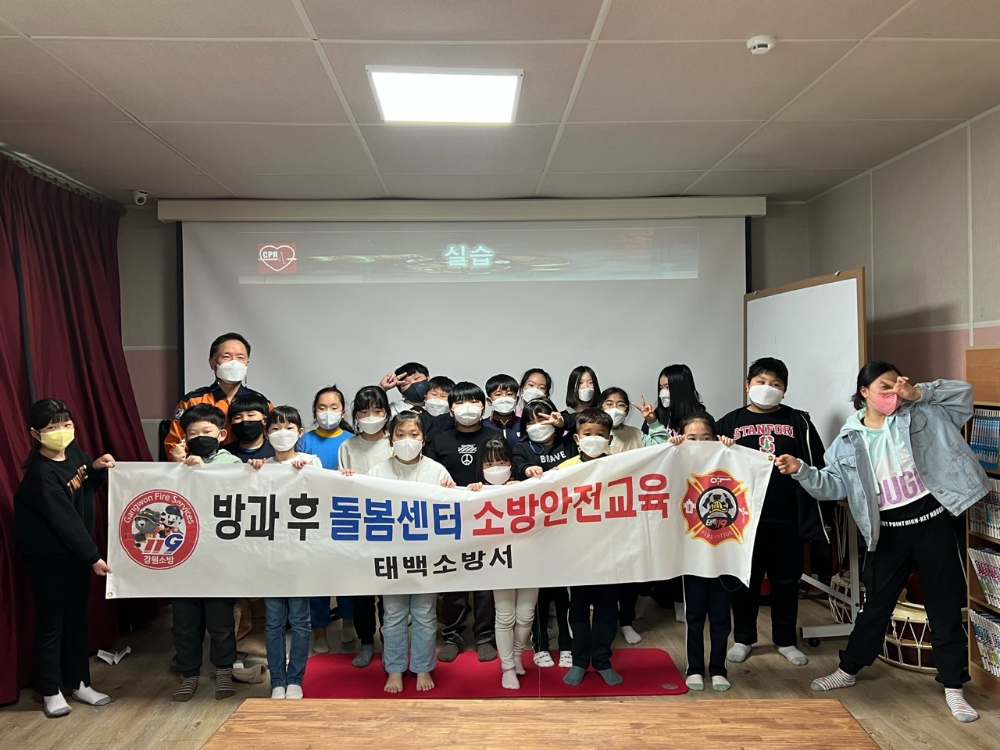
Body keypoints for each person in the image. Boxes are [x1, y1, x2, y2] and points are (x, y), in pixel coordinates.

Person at [775, 363, 987, 723]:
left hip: (932, 522)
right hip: (887, 531)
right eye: (885, 387)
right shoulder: (847, 440)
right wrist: (802, 471)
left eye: (898, 384)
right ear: (864, 392)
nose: (894, 392)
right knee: (875, 606)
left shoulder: (922, 412)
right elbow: (834, 486)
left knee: (945, 604)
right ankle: (848, 669)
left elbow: (964, 396)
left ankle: (954, 686)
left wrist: (917, 393)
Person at [716, 357, 827, 668]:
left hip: (787, 515)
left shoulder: (798, 421)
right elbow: (711, 466)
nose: (768, 388)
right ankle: (743, 638)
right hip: (743, 518)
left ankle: (785, 639)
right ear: (747, 385)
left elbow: (816, 463)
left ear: (784, 390)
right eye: (761, 382)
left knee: (786, 580)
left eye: (776, 384)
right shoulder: (729, 422)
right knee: (745, 580)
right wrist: (721, 446)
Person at [14, 398, 115, 718]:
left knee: (77, 620)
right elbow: (65, 521)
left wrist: (95, 468)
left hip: (74, 555)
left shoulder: (73, 452)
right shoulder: (40, 475)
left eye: (66, 424)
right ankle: (50, 690)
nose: (61, 431)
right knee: (52, 623)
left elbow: (85, 489)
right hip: (48, 558)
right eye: (52, 427)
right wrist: (93, 557)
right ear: (35, 433)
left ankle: (79, 682)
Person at [368, 412, 455, 693]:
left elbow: (454, 508)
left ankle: (422, 667)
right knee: (393, 614)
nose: (407, 440)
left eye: (414, 435)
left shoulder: (437, 471)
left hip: (426, 556)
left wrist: (451, 491)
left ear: (423, 439)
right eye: (401, 434)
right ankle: (394, 669)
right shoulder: (377, 472)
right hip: (390, 556)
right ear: (391, 439)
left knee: (424, 614)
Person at [171, 404, 241, 702]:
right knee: (184, 622)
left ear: (221, 435)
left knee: (220, 619)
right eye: (192, 433)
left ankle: (223, 670)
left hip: (217, 555)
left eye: (206, 431)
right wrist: (175, 466)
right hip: (183, 555)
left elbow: (234, 489)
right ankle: (189, 674)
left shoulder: (231, 461)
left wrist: (202, 470)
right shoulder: (179, 463)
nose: (200, 437)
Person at [248, 406, 320, 700]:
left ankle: (295, 679)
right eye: (275, 428)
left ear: (300, 433)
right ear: (266, 434)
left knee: (300, 620)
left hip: (301, 555)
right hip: (270, 556)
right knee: (274, 621)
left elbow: (326, 496)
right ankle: (277, 680)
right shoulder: (261, 466)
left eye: (289, 428)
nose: (282, 434)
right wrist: (252, 472)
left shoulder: (311, 462)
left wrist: (308, 474)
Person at [425, 382, 499, 662]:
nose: (467, 408)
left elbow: (507, 472)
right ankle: (452, 636)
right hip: (450, 520)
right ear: (450, 409)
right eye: (460, 402)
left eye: (473, 402)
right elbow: (428, 477)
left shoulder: (494, 437)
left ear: (484, 406)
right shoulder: (439, 440)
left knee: (485, 583)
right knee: (453, 580)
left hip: (486, 518)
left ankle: (485, 637)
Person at [668, 414, 738, 692]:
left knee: (721, 618)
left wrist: (729, 448)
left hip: (724, 553)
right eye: (691, 438)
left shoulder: (727, 458)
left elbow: (745, 469)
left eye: (706, 438)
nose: (698, 443)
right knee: (694, 616)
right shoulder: (676, 460)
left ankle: (719, 668)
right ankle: (694, 668)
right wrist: (671, 448)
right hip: (693, 555)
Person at [556, 408, 623, 686]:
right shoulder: (564, 470)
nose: (594, 439)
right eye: (587, 434)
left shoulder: (621, 466)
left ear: (609, 439)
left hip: (611, 550)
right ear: (577, 438)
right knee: (579, 609)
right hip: (578, 552)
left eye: (600, 434)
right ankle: (580, 660)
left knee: (608, 609)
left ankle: (603, 660)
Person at [599, 387, 669, 644]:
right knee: (605, 572)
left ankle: (626, 621)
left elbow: (662, 448)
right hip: (600, 514)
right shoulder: (593, 432)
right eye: (609, 403)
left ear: (628, 411)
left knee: (629, 571)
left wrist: (652, 421)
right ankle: (605, 622)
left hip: (631, 512)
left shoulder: (636, 434)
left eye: (620, 405)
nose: (615, 409)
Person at [469, 438, 536, 689]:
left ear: (511, 463)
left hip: (530, 560)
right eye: (489, 464)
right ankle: (507, 667)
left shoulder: (524, 488)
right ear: (481, 467)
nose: (495, 468)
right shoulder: (476, 491)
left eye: (501, 461)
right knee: (505, 616)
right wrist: (469, 492)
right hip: (500, 561)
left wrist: (530, 484)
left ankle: (517, 655)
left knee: (526, 615)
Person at [337, 385, 394, 668]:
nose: (371, 416)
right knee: (362, 592)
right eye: (364, 411)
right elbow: (339, 488)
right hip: (359, 527)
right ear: (356, 415)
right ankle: (367, 642)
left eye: (377, 410)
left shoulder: (395, 442)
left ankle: (391, 641)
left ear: (386, 413)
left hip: (392, 525)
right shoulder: (347, 446)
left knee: (390, 592)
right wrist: (344, 479)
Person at [295, 385, 354, 652]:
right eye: (322, 407)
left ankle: (348, 620)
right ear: (314, 411)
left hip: (344, 514)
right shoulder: (304, 440)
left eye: (333, 407)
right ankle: (319, 630)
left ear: (342, 412)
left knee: (346, 573)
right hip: (312, 515)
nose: (327, 412)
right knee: (316, 575)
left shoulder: (352, 440)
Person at [165, 332, 271, 460]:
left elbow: (275, 439)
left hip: (250, 467)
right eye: (226, 356)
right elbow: (175, 443)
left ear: (247, 363)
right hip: (201, 467)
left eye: (240, 357)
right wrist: (180, 458)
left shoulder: (261, 403)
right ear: (212, 363)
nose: (234, 362)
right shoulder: (192, 401)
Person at [512, 397, 576, 480]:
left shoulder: (570, 441)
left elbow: (585, 420)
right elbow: (518, 468)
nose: (537, 426)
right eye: (531, 423)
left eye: (542, 420)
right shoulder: (522, 448)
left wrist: (563, 422)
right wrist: (527, 469)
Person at [649, 364, 706, 437]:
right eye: (661, 388)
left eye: (667, 387)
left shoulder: (702, 419)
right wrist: (651, 421)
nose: (663, 392)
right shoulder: (655, 416)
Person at [227, 391, 274, 463]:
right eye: (237, 417)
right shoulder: (224, 454)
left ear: (264, 420)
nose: (244, 420)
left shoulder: (277, 452)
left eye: (251, 415)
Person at [482, 373, 522, 446]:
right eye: (498, 394)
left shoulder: (524, 424)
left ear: (517, 400)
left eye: (509, 394)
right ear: (489, 401)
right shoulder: (482, 426)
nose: (504, 398)